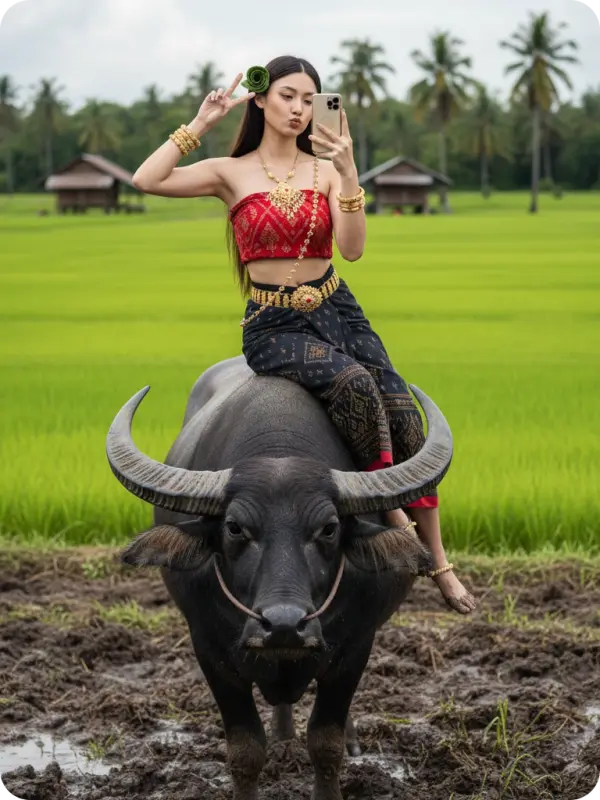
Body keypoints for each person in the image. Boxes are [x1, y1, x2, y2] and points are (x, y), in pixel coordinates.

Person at [131, 56, 476, 615]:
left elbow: (354, 249)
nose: (298, 109)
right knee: (355, 387)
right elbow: (146, 179)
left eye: (308, 100)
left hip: (338, 307)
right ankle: (395, 526)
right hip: (275, 324)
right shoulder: (230, 172)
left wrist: (350, 174)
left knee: (405, 414)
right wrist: (202, 122)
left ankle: (438, 562)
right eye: (288, 96)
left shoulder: (326, 169)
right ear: (262, 100)